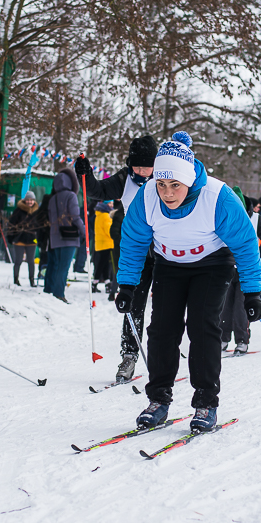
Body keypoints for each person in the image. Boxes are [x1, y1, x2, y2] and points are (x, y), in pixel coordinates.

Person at [116, 132, 261, 432]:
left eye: (175, 185)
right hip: (169, 265)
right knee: (161, 330)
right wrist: (127, 285)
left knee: (202, 326)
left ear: (189, 180)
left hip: (212, 265)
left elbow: (246, 244)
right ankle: (158, 399)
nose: (167, 193)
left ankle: (206, 402)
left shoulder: (217, 198)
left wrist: (252, 292)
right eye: (161, 184)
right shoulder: (147, 197)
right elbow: (132, 242)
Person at [75, 135, 158, 382]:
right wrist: (85, 174)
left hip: (166, 252)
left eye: (147, 167)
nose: (142, 172)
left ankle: (162, 355)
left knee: (165, 308)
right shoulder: (125, 178)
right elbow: (97, 191)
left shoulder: (166, 179)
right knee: (133, 304)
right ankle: (129, 355)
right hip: (137, 252)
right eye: (137, 166)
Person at [221, 187, 261, 353]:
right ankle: (223, 338)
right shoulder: (223, 214)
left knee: (241, 307)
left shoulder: (255, 218)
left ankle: (242, 340)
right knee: (224, 306)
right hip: (225, 267)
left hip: (246, 270)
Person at [43, 167, 85, 303]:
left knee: (55, 265)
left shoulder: (52, 198)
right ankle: (59, 294)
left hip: (55, 236)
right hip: (69, 237)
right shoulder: (71, 196)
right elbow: (75, 216)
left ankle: (49, 290)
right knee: (64, 266)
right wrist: (84, 231)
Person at [7, 191, 40, 287]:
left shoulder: (37, 212)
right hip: (19, 239)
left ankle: (32, 280)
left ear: (34, 201)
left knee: (31, 261)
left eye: (31, 200)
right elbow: (11, 224)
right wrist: (11, 237)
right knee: (18, 261)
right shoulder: (18, 211)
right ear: (25, 200)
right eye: (28, 200)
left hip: (32, 240)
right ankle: (16, 280)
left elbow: (40, 226)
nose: (30, 202)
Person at [92, 200, 116, 297]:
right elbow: (109, 231)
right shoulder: (106, 216)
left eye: (112, 204)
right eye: (109, 204)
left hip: (101, 243)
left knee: (104, 264)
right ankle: (96, 283)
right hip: (107, 243)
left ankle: (106, 283)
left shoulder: (99, 215)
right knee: (103, 264)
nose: (111, 206)